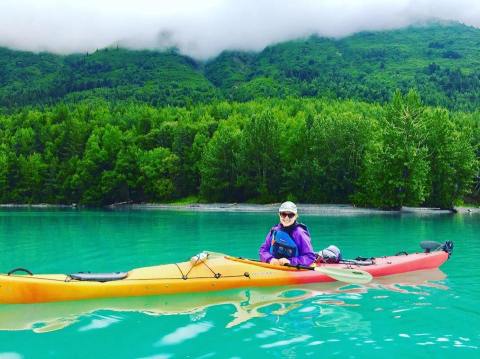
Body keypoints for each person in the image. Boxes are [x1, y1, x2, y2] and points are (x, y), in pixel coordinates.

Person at [259, 201, 316, 266]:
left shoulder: (300, 233)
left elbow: (310, 257)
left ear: (296, 216)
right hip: (274, 266)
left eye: (290, 215)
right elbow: (263, 250)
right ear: (279, 215)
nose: (286, 218)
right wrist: (270, 259)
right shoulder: (274, 230)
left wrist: (290, 261)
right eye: (283, 214)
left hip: (293, 270)